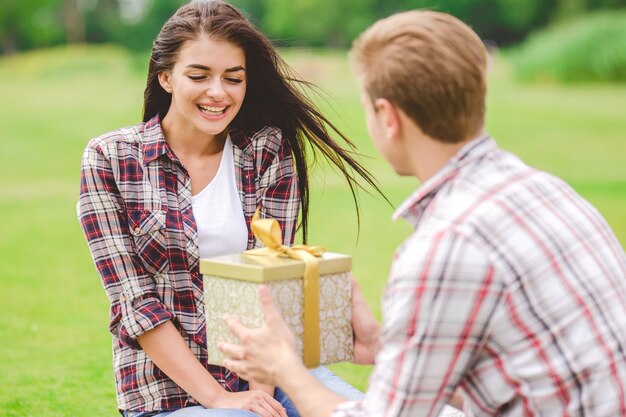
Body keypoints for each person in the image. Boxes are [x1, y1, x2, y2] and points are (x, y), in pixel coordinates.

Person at [218, 9, 626, 417]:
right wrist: (381, 346)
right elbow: (520, 381)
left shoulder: (446, 246)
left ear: (388, 117)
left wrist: (285, 369)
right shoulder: (547, 189)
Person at [77, 1, 376, 416]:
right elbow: (136, 303)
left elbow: (268, 284)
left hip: (271, 369)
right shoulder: (110, 158)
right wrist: (219, 398)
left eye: (233, 78)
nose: (218, 92)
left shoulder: (267, 151)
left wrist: (264, 396)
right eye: (198, 76)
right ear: (166, 77)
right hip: (165, 390)